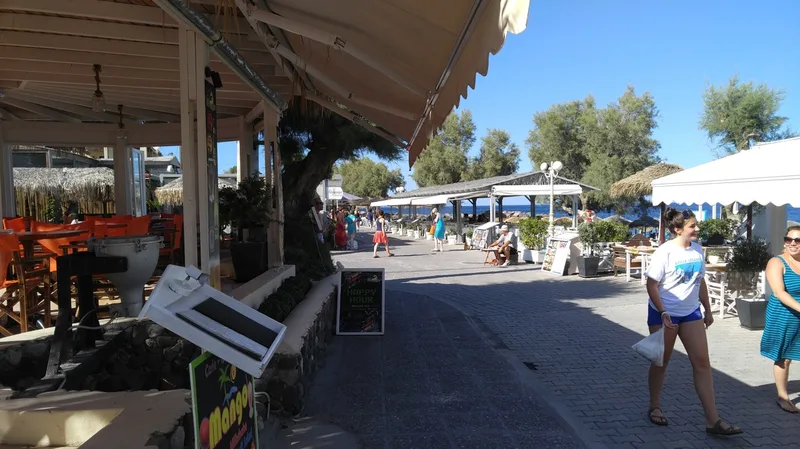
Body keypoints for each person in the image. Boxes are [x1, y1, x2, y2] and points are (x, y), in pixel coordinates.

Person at [645, 208, 742, 435]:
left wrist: (707, 308)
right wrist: (663, 312)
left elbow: (700, 281)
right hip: (664, 313)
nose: (697, 229)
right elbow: (651, 285)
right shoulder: (665, 252)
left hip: (691, 313)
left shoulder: (697, 250)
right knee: (661, 361)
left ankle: (712, 420)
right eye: (692, 226)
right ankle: (655, 405)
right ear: (677, 229)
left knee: (702, 363)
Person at [761, 225, 800, 413]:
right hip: (783, 314)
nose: (793, 243)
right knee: (784, 357)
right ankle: (783, 397)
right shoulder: (776, 262)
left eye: (797, 240)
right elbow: (779, 292)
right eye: (789, 239)